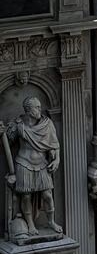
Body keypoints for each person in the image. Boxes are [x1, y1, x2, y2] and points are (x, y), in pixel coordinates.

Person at [0, 96, 63, 239]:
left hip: (42, 164)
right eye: (37, 107)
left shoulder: (47, 124)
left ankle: (51, 221)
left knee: (47, 195)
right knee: (26, 196)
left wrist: (57, 159)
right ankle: (30, 224)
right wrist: (3, 133)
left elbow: (54, 144)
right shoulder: (18, 124)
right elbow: (7, 142)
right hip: (23, 163)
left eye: (40, 107)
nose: (40, 110)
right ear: (29, 109)